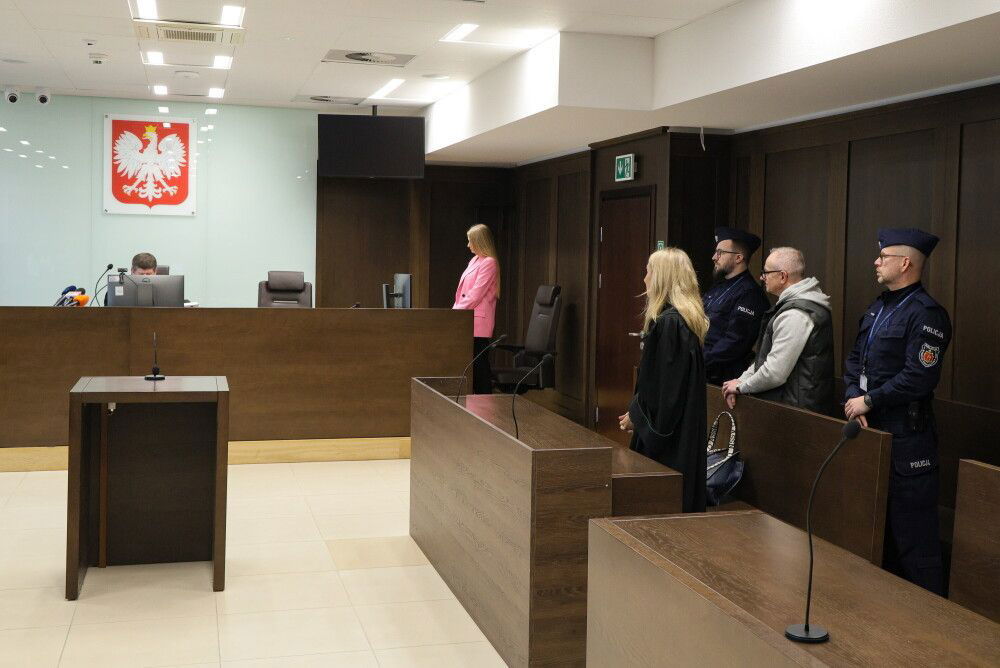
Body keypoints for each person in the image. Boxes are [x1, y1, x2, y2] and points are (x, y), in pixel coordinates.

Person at [843, 228, 951, 596]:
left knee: (913, 540)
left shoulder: (926, 314)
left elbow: (918, 378)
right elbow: (855, 360)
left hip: (908, 440)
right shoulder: (879, 307)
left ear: (905, 263)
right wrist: (853, 396)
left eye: (883, 257)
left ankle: (930, 619)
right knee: (876, 535)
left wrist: (870, 400)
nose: (876, 262)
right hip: (870, 430)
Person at [618, 248, 708, 513]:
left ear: (661, 278)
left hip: (669, 442)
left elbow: (664, 394)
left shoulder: (670, 325)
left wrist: (638, 417)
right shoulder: (682, 322)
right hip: (681, 430)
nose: (644, 278)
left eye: (649, 271)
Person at [722, 247, 834, 414]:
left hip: (797, 413)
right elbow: (765, 359)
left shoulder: (796, 314)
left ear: (783, 276)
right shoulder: (793, 306)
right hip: (790, 406)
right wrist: (740, 381)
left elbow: (775, 372)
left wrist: (741, 387)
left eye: (766, 272)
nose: (762, 277)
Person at [702, 227, 770, 385]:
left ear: (738, 257)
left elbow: (734, 342)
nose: (714, 257)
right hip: (702, 372)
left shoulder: (750, 294)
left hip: (721, 379)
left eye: (720, 252)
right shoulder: (718, 287)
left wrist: (699, 362)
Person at [453, 224, 501, 394]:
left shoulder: (490, 263)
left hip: (478, 323)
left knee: (480, 368)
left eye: (470, 241)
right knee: (472, 366)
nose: (468, 245)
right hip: (467, 319)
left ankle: (485, 402)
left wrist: (454, 312)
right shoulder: (475, 260)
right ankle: (477, 402)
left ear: (479, 242)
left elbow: (476, 294)